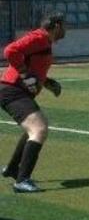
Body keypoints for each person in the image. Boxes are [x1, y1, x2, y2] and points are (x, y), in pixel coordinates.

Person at [0, 12, 65, 193]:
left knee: (32, 129)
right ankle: (22, 180)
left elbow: (34, 68)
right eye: (64, 25)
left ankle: (13, 169)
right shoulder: (39, 38)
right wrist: (23, 73)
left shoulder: (45, 42)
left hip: (16, 91)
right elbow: (10, 50)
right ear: (57, 26)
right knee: (39, 129)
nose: (65, 29)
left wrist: (49, 83)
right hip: (12, 91)